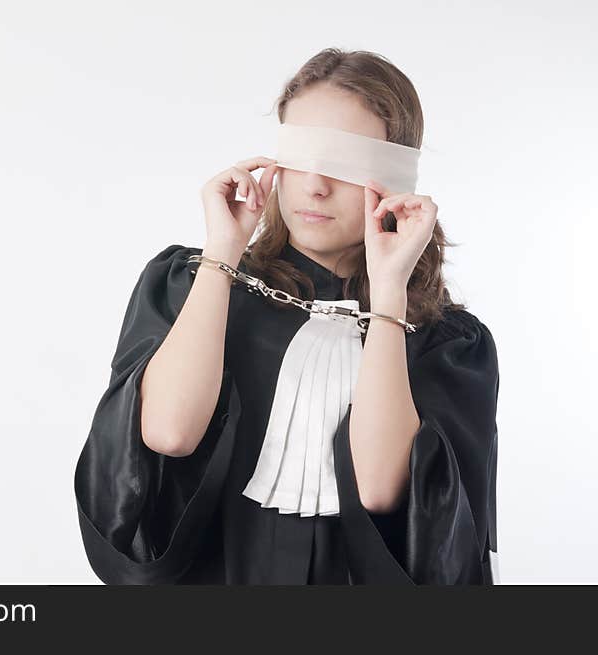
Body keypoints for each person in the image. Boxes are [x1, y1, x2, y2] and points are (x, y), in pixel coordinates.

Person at [73, 48, 500, 585]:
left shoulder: (449, 346)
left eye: (345, 166)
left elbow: (381, 487)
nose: (316, 186)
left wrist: (388, 295)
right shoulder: (189, 282)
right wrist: (222, 252)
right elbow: (169, 433)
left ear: (397, 176)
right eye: (302, 157)